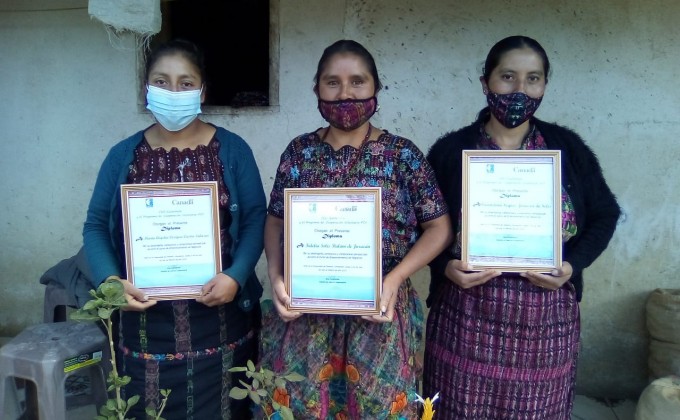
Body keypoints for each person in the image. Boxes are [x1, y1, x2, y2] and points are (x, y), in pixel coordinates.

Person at [422, 35, 621, 419]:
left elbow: (605, 214)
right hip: (465, 318)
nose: (520, 89)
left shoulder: (567, 149)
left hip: (546, 324)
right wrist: (443, 266)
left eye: (533, 79)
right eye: (507, 77)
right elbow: (420, 225)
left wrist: (571, 265)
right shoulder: (450, 153)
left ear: (545, 85)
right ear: (485, 83)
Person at [259, 39, 452, 419]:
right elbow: (276, 220)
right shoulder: (299, 152)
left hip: (380, 313)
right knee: (302, 405)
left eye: (357, 82)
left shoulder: (403, 155)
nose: (345, 93)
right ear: (316, 87)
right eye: (333, 82)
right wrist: (276, 275)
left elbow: (439, 228)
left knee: (380, 407)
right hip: (306, 317)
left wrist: (394, 279)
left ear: (375, 88)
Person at [82, 39, 266, 419]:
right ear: (146, 88)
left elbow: (254, 218)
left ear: (202, 90)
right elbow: (96, 225)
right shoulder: (123, 156)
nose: (173, 91)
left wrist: (236, 275)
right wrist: (110, 281)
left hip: (221, 322)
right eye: (161, 81)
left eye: (185, 83)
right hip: (144, 326)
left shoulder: (232, 150)